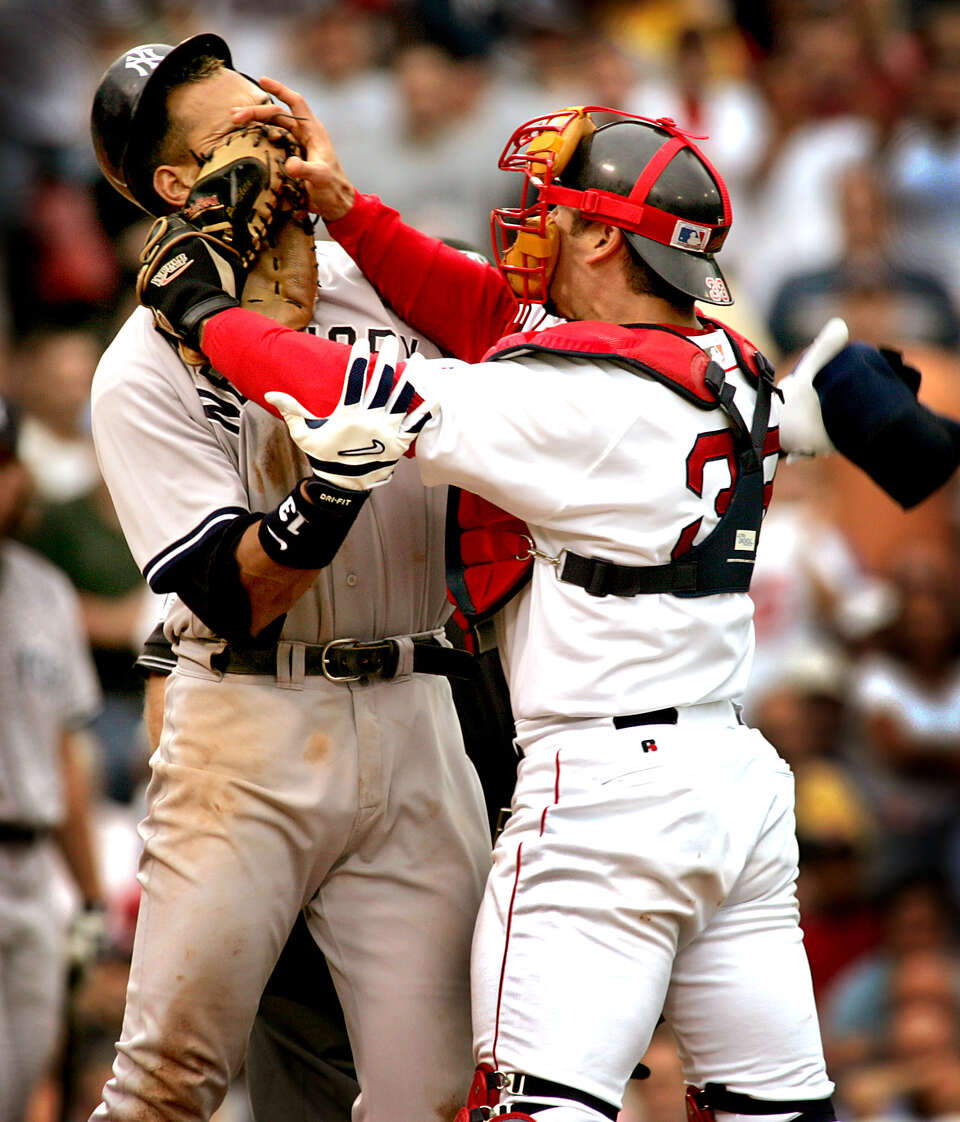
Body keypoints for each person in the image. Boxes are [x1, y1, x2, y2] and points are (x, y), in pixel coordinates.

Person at [133, 85, 960, 1122]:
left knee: (538, 1111)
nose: (531, 222)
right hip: (736, 790)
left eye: (557, 208)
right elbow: (486, 312)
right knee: (776, 1111)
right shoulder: (730, 358)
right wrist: (350, 213)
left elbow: (343, 390)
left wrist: (207, 313)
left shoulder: (575, 396)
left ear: (609, 245)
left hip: (604, 804)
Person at [86, 35, 493, 1122]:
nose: (269, 139)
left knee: (443, 1094)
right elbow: (227, 591)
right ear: (177, 185)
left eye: (272, 112)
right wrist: (326, 495)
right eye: (235, 134)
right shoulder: (142, 364)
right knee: (168, 1083)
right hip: (250, 726)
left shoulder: (395, 277)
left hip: (417, 714)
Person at [0, 394, 105, 1122]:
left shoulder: (46, 591)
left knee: (21, 1079)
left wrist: (92, 898)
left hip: (33, 868)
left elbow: (66, 756)